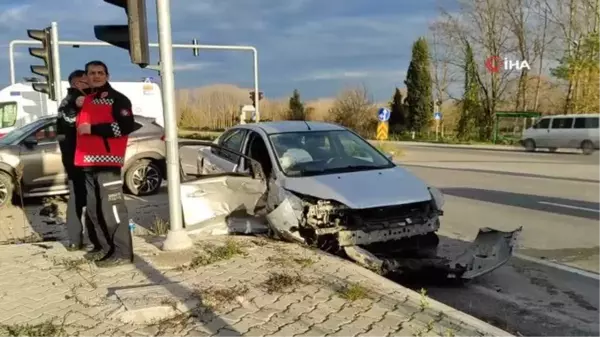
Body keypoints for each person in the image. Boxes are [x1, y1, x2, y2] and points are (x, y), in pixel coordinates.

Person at [74, 60, 135, 267]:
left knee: (112, 209)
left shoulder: (118, 99)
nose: (96, 76)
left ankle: (123, 253)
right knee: (93, 209)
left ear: (107, 76)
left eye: (100, 72)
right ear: (87, 76)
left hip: (108, 163)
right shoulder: (87, 100)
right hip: (87, 161)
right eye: (92, 73)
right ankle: (104, 248)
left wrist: (94, 129)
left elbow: (126, 126)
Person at [56, 69, 102, 253]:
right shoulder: (73, 101)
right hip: (80, 159)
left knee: (77, 198)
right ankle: (92, 240)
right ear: (76, 84)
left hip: (73, 159)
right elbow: (71, 119)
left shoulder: (68, 101)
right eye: (86, 82)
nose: (90, 84)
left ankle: (75, 240)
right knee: (91, 198)